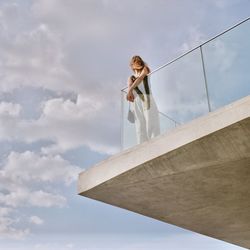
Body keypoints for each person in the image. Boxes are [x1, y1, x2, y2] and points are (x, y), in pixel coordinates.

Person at [127, 55, 160, 144]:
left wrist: (129, 90)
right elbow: (129, 91)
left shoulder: (145, 69)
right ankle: (143, 146)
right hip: (138, 101)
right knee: (141, 125)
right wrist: (129, 91)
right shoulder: (131, 77)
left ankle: (154, 143)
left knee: (150, 121)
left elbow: (140, 78)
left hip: (146, 98)